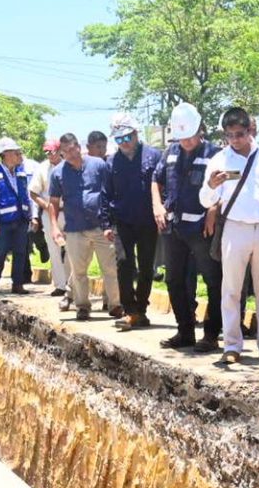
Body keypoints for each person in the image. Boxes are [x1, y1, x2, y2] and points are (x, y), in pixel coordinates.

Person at [200, 107, 259, 364]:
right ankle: (232, 345)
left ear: (249, 130)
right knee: (231, 289)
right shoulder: (219, 160)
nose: (235, 140)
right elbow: (205, 199)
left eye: (240, 134)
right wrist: (211, 186)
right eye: (230, 135)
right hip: (234, 228)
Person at [153, 102, 223, 352]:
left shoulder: (215, 153)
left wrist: (213, 211)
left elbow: (225, 187)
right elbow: (156, 180)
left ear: (200, 129)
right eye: (181, 137)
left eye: (190, 136)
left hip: (203, 229)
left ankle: (211, 334)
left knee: (214, 280)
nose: (186, 142)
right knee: (174, 280)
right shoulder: (170, 152)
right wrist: (157, 206)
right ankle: (185, 331)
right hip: (174, 228)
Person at [49, 133, 121, 321]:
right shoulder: (57, 173)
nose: (70, 154)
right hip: (74, 229)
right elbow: (53, 202)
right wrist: (55, 227)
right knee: (79, 271)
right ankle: (82, 306)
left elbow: (111, 192)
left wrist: (112, 221)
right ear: (61, 153)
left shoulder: (98, 165)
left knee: (110, 268)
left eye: (72, 149)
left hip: (101, 227)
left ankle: (115, 305)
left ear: (79, 147)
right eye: (65, 151)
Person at [109, 113, 164, 331]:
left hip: (147, 221)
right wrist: (106, 223)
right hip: (122, 221)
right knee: (123, 263)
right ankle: (129, 309)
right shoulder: (112, 161)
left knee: (146, 266)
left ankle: (141, 309)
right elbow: (107, 193)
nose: (123, 143)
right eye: (119, 139)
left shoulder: (154, 156)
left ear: (136, 133)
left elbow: (163, 187)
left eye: (126, 138)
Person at [0, 139, 36, 293]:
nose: (19, 155)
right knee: (1, 252)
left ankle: (17, 283)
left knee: (21, 252)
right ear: (6, 154)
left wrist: (33, 216)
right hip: (4, 222)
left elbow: (28, 195)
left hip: (21, 219)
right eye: (16, 152)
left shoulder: (21, 172)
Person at [30, 140, 71, 301]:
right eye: (46, 152)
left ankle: (70, 282)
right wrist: (46, 206)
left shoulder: (68, 165)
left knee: (71, 249)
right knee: (53, 249)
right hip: (49, 213)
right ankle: (60, 285)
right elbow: (33, 193)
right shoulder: (42, 168)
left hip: (68, 212)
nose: (49, 155)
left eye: (52, 151)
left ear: (59, 150)